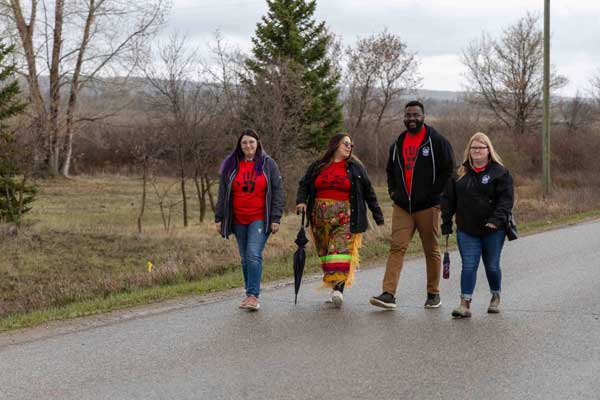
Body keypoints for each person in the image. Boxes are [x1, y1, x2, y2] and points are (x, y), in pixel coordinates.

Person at [370, 100, 455, 310]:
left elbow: (449, 169)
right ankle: (388, 294)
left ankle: (433, 294)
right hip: (403, 207)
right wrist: (393, 192)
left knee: (431, 250)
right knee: (397, 247)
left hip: (428, 207)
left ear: (423, 116)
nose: (412, 119)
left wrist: (437, 195)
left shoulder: (436, 141)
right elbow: (390, 170)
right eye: (408, 115)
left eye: (416, 115)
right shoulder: (398, 143)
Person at [296, 133, 384, 307]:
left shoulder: (356, 168)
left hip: (346, 217)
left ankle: (338, 290)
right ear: (335, 144)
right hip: (319, 218)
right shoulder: (318, 166)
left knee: (340, 251)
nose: (349, 147)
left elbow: (369, 193)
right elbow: (304, 184)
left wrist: (378, 216)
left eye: (351, 144)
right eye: (346, 143)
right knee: (326, 254)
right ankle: (334, 286)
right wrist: (301, 201)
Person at [441, 132, 514, 318]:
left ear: (489, 150)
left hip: (493, 230)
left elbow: (506, 201)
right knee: (469, 265)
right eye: (474, 148)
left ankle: (495, 296)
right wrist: (446, 223)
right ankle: (464, 304)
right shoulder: (459, 173)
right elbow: (448, 201)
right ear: (469, 150)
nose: (477, 151)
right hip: (467, 230)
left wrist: (495, 220)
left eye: (481, 147)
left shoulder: (500, 173)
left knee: (492, 266)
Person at [215, 129, 284, 311]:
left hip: (260, 218)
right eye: (244, 142)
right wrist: (219, 217)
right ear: (240, 145)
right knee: (245, 258)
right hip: (238, 218)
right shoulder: (231, 165)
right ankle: (249, 294)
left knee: (253, 254)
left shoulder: (268, 164)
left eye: (251, 142)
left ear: (258, 143)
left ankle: (253, 296)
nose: (248, 145)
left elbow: (278, 191)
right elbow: (223, 193)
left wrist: (276, 218)